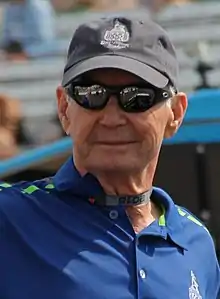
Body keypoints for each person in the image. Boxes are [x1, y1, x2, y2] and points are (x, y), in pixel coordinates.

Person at [0, 15, 219, 299]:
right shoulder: (10, 218)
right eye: (92, 95)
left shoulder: (195, 243)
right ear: (64, 109)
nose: (112, 118)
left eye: (137, 97)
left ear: (175, 114)